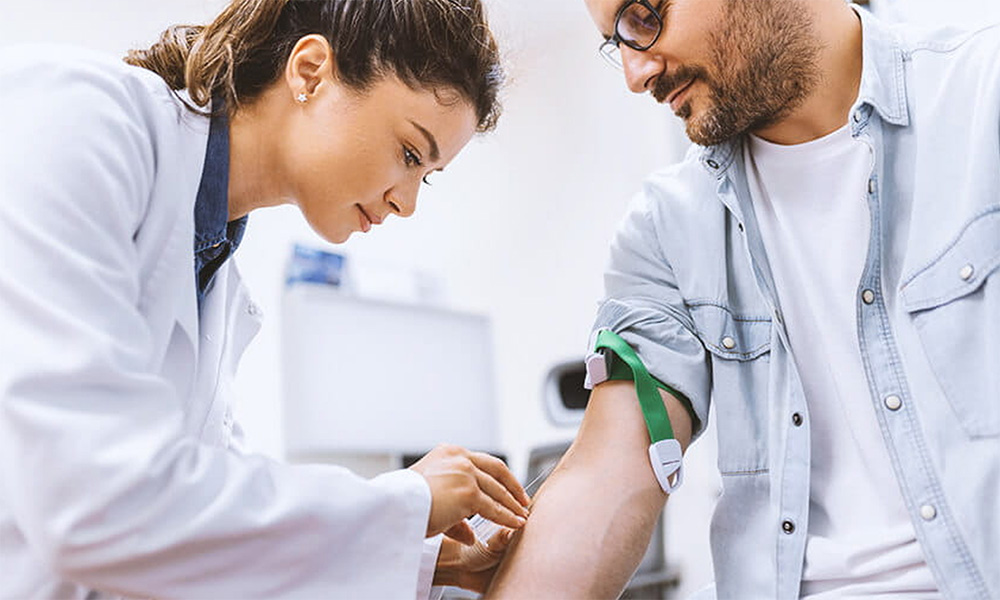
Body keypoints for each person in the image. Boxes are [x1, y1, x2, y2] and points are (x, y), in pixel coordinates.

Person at [0, 0, 531, 598]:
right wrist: (405, 502)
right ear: (310, 72)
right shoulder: (78, 117)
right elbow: (94, 503)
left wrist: (425, 560)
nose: (406, 202)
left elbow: (201, 527)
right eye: (410, 154)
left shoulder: (216, 279)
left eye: (425, 175)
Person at [486, 0, 999, 598]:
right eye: (615, 43)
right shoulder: (665, 228)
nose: (635, 74)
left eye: (642, 18)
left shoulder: (981, 98)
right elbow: (608, 473)